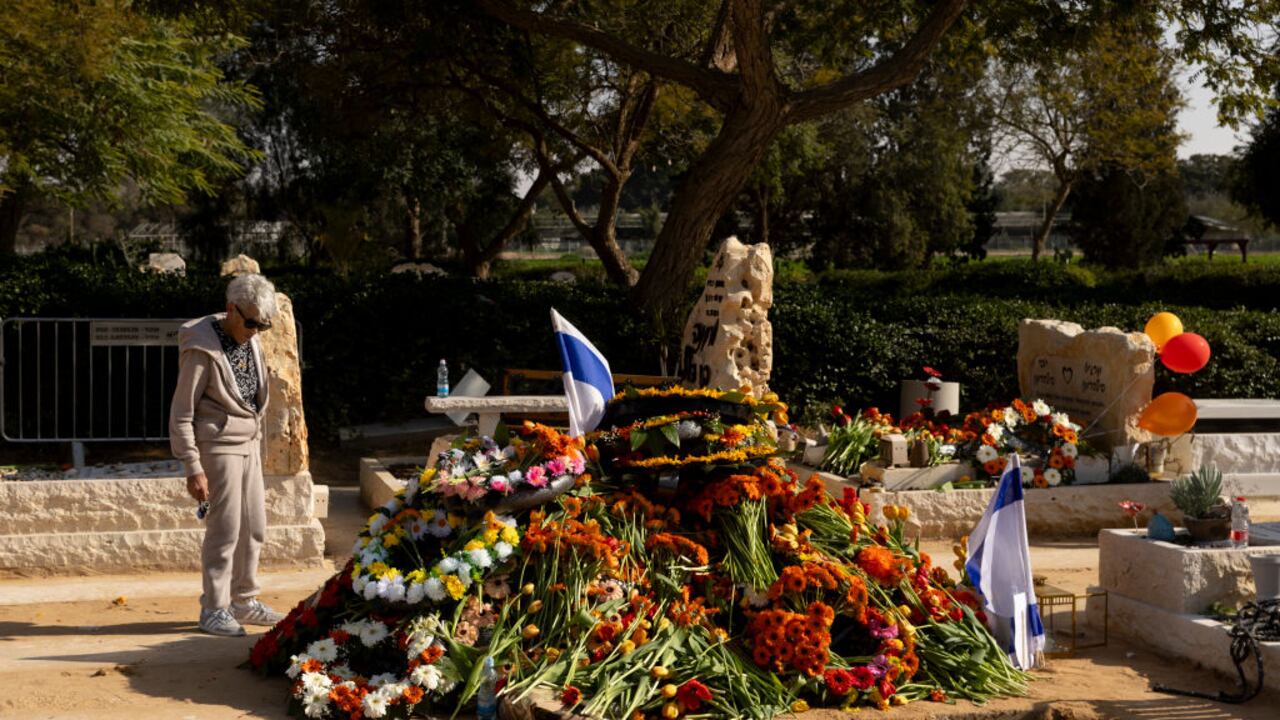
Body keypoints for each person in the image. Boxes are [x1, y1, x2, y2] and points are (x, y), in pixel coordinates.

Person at [170, 273, 285, 636]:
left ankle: (244, 601)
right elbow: (181, 413)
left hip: (248, 444)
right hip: (218, 446)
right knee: (225, 530)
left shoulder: (250, 337)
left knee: (254, 528)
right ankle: (214, 608)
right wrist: (193, 466)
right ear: (230, 309)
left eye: (263, 325)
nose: (255, 330)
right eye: (251, 322)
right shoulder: (202, 349)